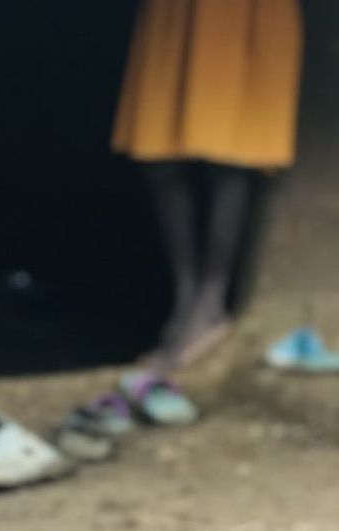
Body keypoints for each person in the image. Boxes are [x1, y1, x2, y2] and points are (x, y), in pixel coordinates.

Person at [112, 0, 303, 368]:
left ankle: (210, 300)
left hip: (240, 11)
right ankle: (186, 296)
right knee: (156, 149)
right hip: (177, 12)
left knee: (229, 150)